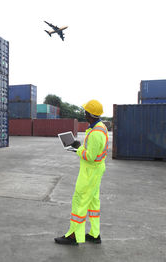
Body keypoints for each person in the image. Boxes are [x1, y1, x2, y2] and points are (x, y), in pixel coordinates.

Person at [54, 99, 109, 245]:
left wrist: (78, 148)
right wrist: (80, 147)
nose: (83, 113)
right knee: (93, 203)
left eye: (85, 111)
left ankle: (73, 236)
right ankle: (95, 234)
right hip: (94, 171)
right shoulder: (99, 126)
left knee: (79, 202)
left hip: (90, 172)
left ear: (90, 114)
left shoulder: (96, 132)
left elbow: (90, 157)